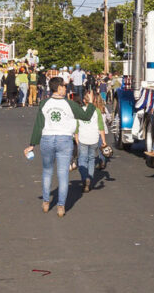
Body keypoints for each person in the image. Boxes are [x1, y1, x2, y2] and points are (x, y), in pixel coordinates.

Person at [24, 77, 99, 218]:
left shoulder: (44, 103)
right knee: (63, 174)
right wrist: (90, 102)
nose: (66, 88)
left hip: (47, 138)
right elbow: (86, 116)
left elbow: (39, 125)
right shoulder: (70, 104)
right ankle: (61, 206)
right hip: (64, 139)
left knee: (47, 171)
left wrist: (32, 145)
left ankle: (46, 202)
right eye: (64, 86)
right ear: (59, 88)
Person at [75, 91, 107, 192]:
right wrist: (103, 141)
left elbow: (76, 128)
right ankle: (89, 177)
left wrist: (76, 139)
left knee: (82, 160)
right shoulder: (97, 111)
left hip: (83, 138)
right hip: (94, 139)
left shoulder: (80, 110)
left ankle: (85, 178)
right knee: (91, 159)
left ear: (84, 101)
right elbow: (101, 127)